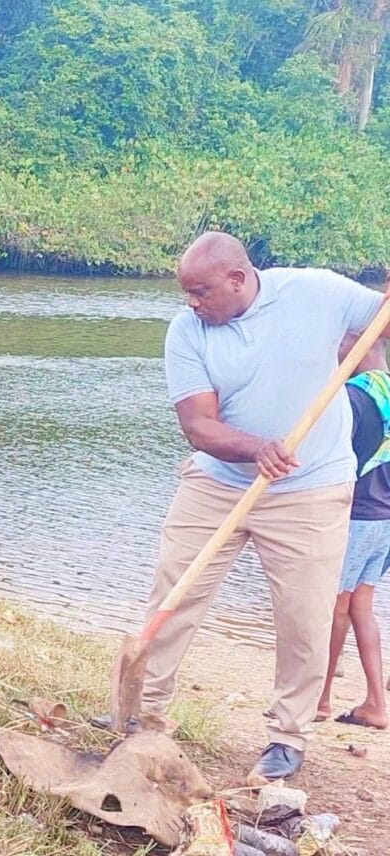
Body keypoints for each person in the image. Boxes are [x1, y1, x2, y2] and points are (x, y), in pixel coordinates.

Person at [129, 231, 383, 782]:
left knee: (304, 617)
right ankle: (143, 713)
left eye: (201, 292)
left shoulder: (316, 291)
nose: (191, 303)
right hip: (217, 482)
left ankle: (288, 736)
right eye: (186, 293)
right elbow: (198, 425)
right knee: (175, 592)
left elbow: (380, 320)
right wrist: (256, 448)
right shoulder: (186, 332)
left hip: (311, 489)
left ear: (238, 280)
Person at [316, 333, 390, 729]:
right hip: (385, 518)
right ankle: (376, 703)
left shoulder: (354, 399)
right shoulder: (387, 387)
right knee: (361, 606)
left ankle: (321, 698)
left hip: (358, 516)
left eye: (339, 339)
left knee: (335, 607)